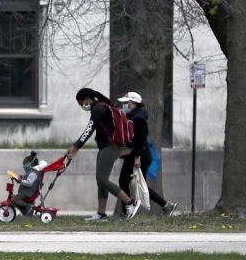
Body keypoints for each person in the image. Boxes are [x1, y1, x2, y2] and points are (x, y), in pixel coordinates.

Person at [65, 87, 141, 221]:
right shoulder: (100, 107)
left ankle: (131, 202)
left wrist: (76, 147)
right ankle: (101, 214)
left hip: (110, 147)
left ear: (87, 99)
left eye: (81, 103)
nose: (82, 106)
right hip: (105, 147)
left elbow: (89, 129)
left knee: (102, 180)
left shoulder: (98, 108)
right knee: (100, 180)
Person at [116, 91, 178, 217]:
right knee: (137, 184)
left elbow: (140, 140)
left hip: (139, 155)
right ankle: (166, 205)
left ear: (133, 103)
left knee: (124, 182)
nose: (123, 105)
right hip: (137, 154)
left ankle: (126, 211)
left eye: (125, 103)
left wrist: (137, 157)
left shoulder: (138, 118)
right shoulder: (134, 116)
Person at [11, 151, 46, 216]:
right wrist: (21, 178)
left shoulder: (33, 173)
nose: (24, 166)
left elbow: (29, 183)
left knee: (14, 200)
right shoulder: (32, 172)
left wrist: (21, 181)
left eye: (25, 164)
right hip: (26, 192)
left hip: (27, 193)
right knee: (14, 199)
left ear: (31, 164)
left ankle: (28, 207)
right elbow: (28, 179)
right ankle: (26, 212)